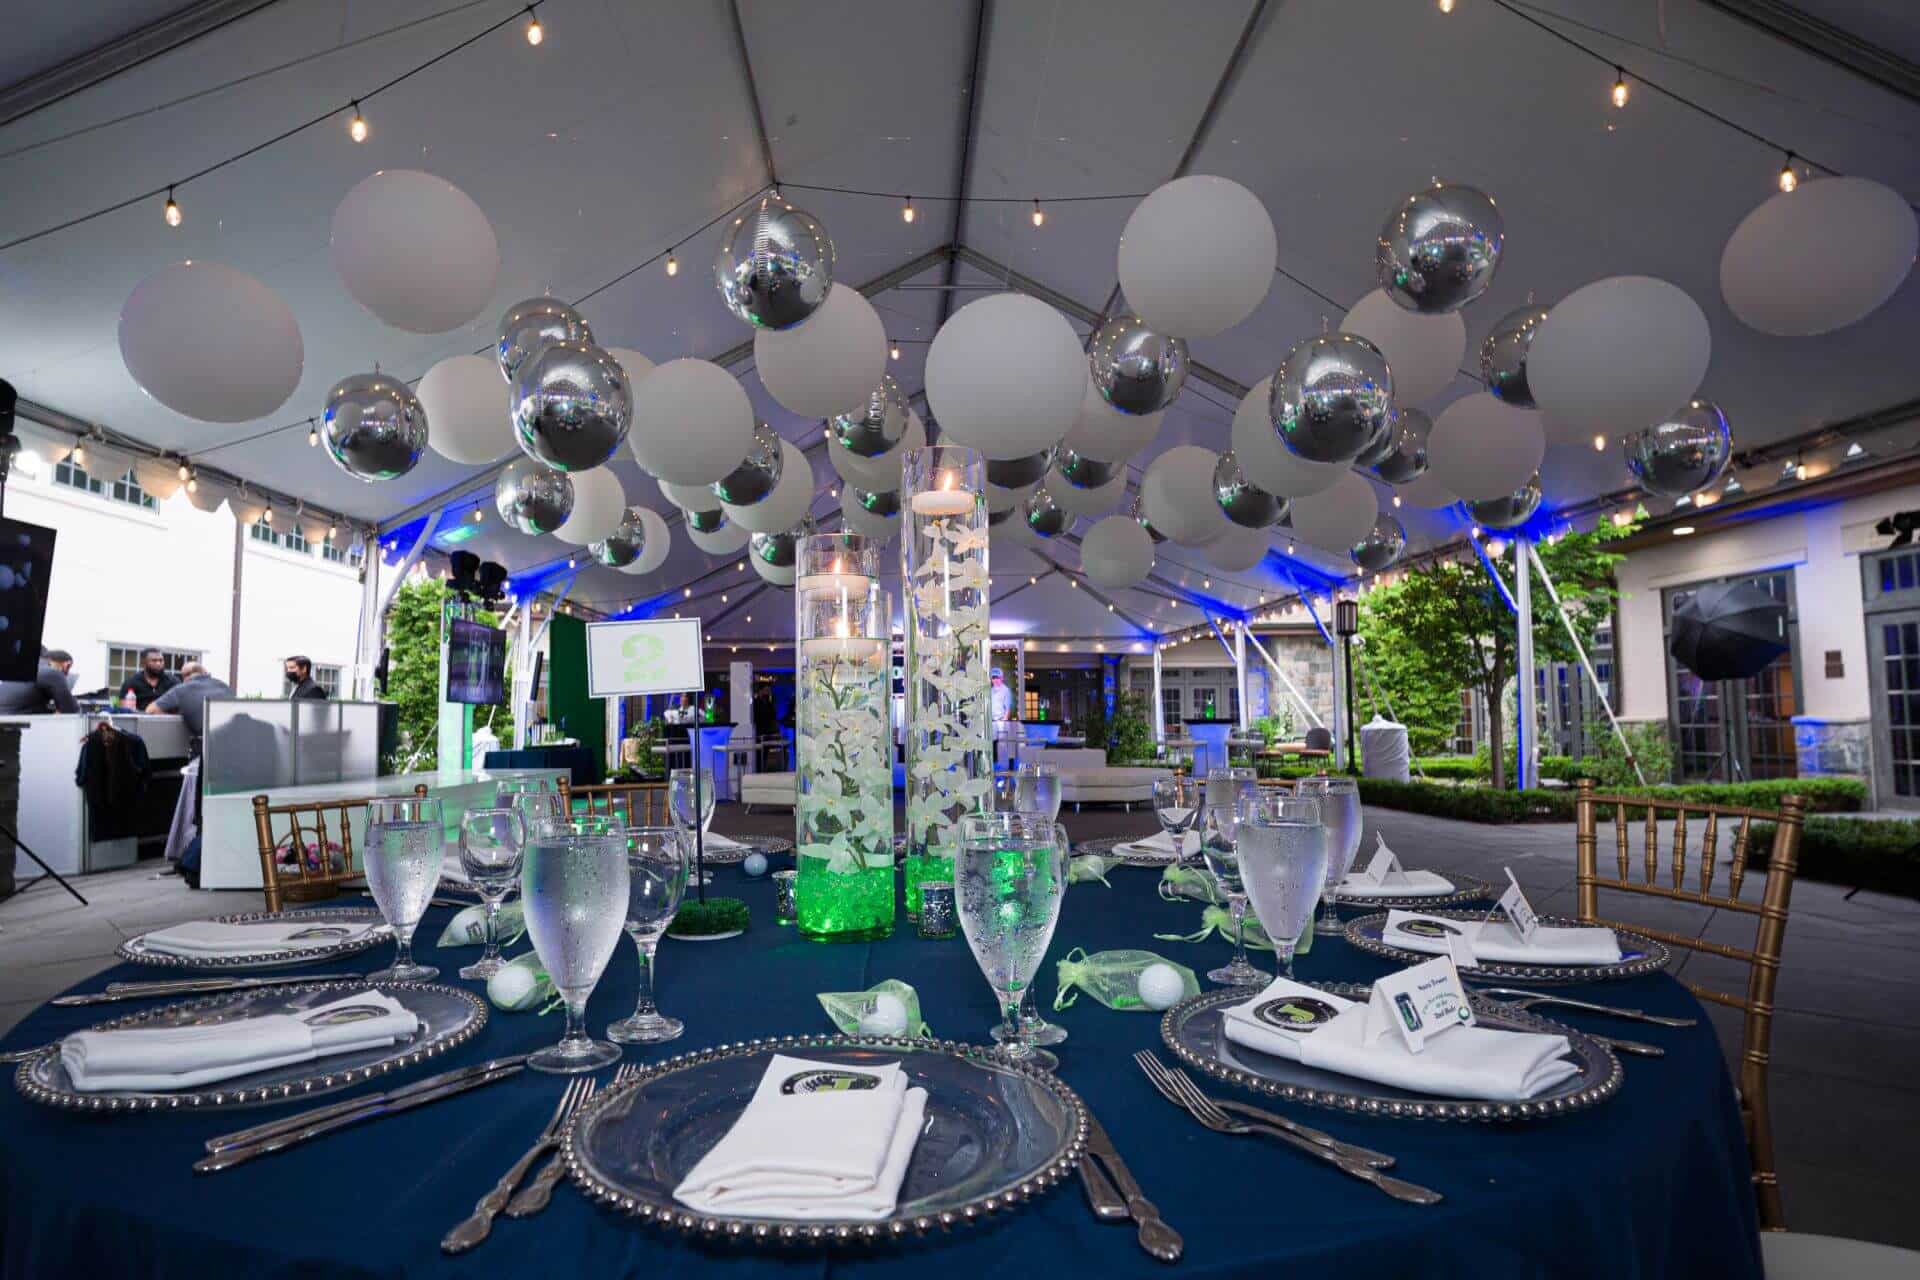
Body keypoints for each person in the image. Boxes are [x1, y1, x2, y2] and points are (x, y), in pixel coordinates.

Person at [147, 661, 233, 742]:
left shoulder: (182, 689)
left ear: (185, 676)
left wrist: (177, 715)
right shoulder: (224, 686)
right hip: (232, 739)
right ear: (205, 672)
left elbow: (151, 710)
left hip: (205, 744)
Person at [0, 648, 79, 714]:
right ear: (66, 665)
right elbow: (70, 709)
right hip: (15, 722)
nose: (66, 675)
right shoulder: (52, 672)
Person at [116, 648, 180, 710]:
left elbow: (182, 703)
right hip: (140, 719)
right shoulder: (131, 683)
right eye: (154, 660)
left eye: (161, 660)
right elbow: (124, 709)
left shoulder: (173, 682)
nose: (158, 664)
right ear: (143, 663)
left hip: (168, 719)